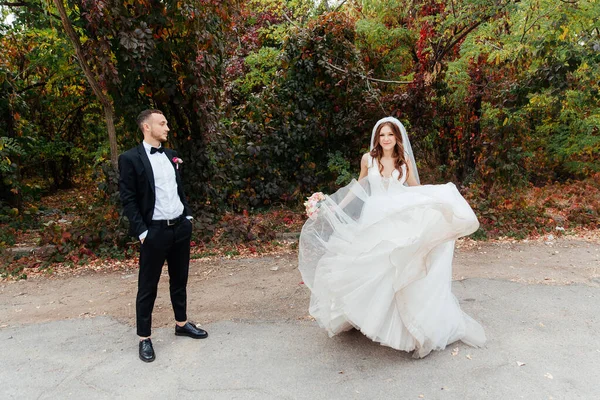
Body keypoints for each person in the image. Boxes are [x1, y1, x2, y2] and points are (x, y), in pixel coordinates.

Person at [298, 116, 486, 358]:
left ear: (397, 138)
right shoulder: (369, 159)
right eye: (382, 135)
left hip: (399, 218)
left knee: (396, 266)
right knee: (369, 266)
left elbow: (415, 188)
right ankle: (367, 316)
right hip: (374, 217)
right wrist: (335, 206)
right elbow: (360, 185)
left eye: (390, 135)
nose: (386, 139)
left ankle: (404, 328)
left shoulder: (403, 160)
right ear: (377, 139)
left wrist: (437, 200)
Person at [119, 109, 208, 363]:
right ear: (147, 127)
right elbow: (128, 199)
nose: (167, 127)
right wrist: (143, 232)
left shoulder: (171, 156)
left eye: (167, 122)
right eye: (162, 123)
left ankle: (181, 324)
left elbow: (180, 190)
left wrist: (188, 217)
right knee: (148, 286)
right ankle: (144, 338)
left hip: (180, 228)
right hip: (154, 232)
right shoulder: (130, 159)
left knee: (180, 280)